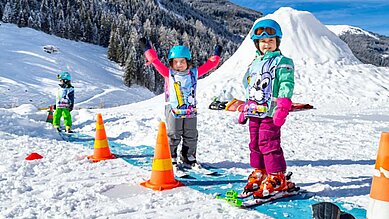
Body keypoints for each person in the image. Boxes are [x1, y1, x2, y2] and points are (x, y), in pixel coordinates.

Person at [140, 37, 222, 168]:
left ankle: (188, 156)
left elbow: (209, 65)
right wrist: (147, 48)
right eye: (176, 62)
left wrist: (216, 55)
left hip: (190, 110)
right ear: (171, 63)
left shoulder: (194, 73)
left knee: (191, 134)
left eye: (182, 61)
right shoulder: (168, 73)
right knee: (173, 134)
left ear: (187, 62)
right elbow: (155, 61)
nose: (179, 64)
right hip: (173, 109)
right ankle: (171, 156)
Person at [239, 19, 295, 198]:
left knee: (268, 143)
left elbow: (286, 82)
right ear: (257, 43)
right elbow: (248, 86)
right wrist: (244, 107)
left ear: (277, 42)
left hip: (271, 111)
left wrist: (284, 104)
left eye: (271, 41)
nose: (267, 44)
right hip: (254, 111)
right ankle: (261, 171)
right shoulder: (254, 63)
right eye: (263, 41)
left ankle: (277, 177)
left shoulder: (282, 61)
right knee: (254, 143)